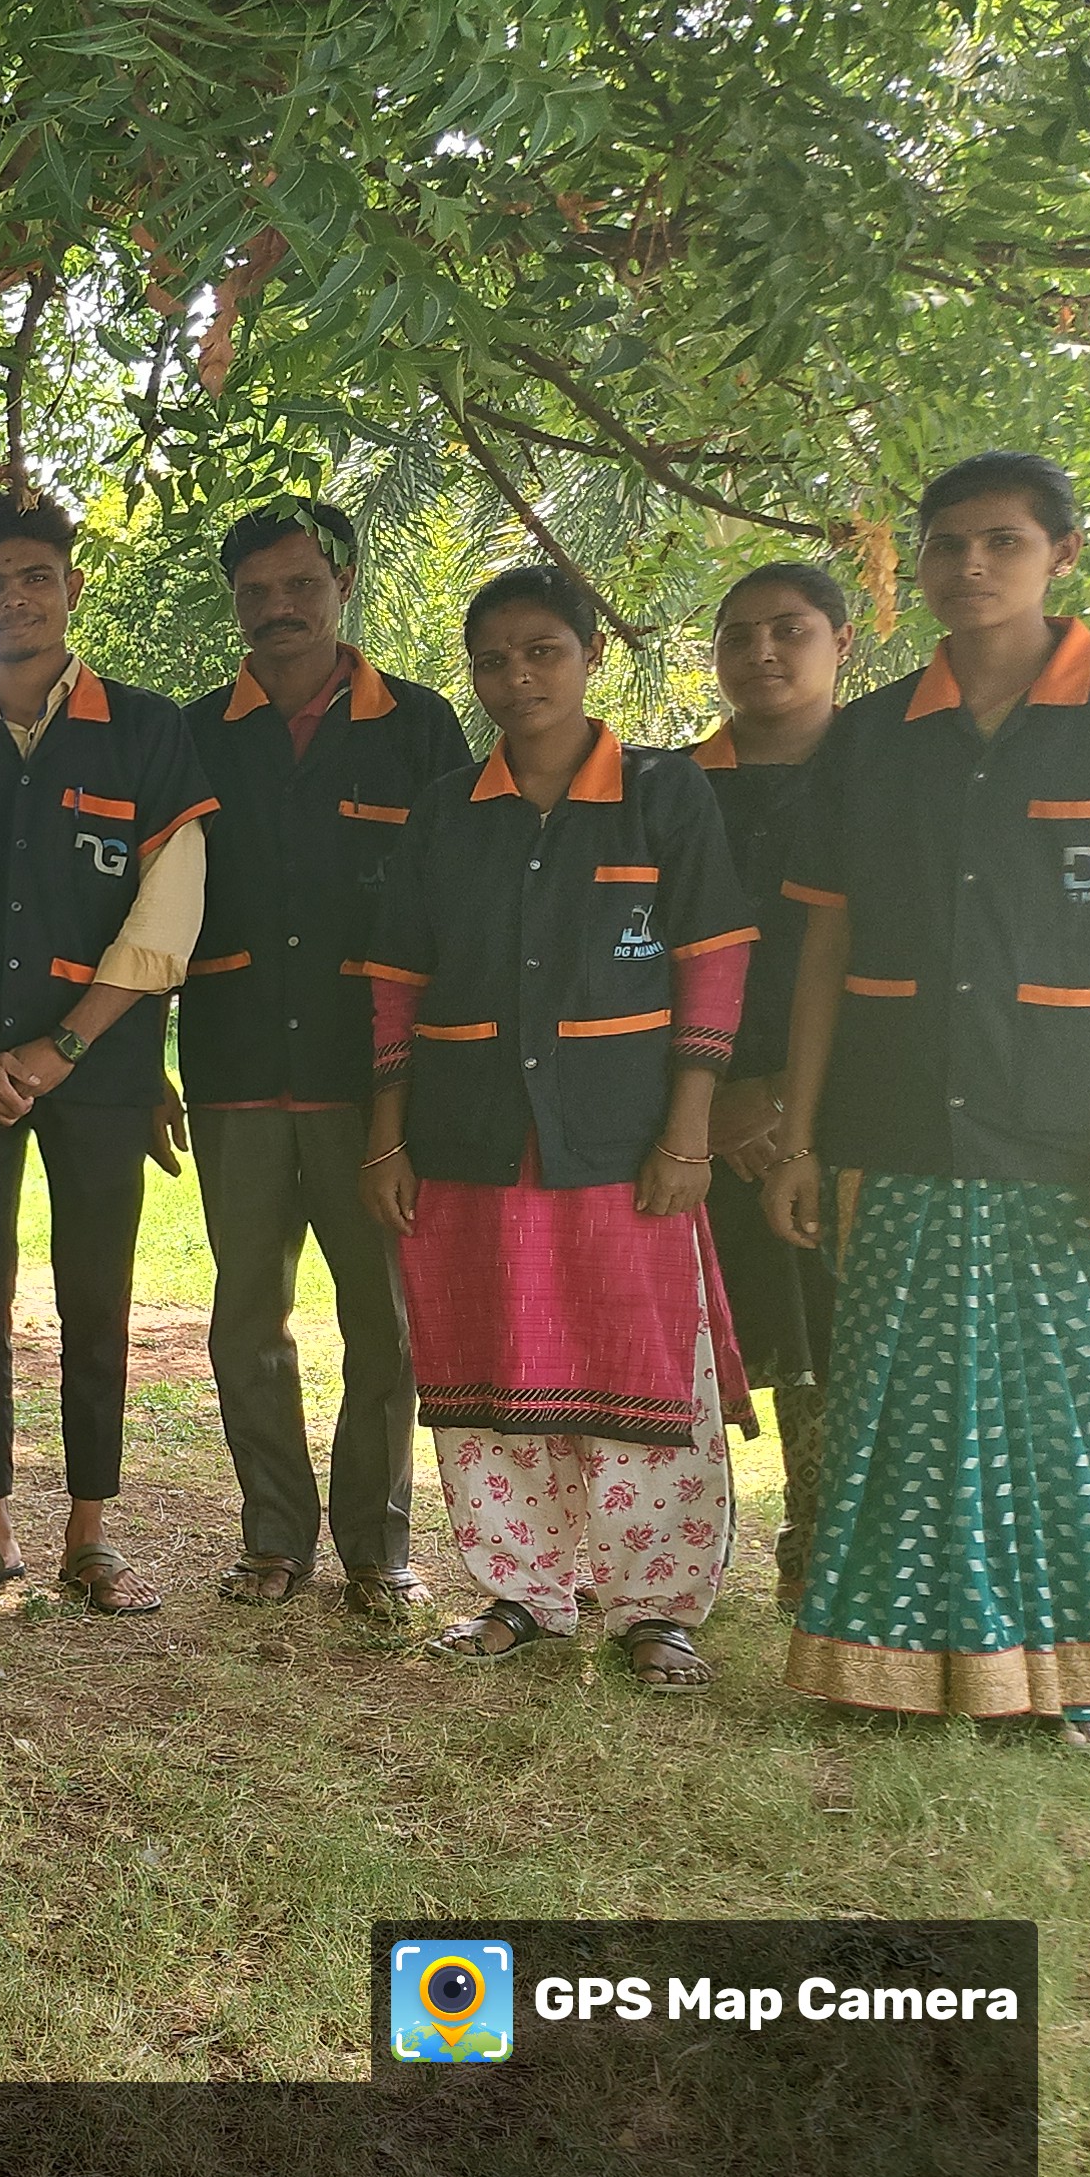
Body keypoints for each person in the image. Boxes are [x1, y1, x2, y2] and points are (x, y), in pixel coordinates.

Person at [770, 452, 1090, 1742]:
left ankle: (1077, 1682)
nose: (971, 566)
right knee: (898, 1409)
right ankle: (890, 1674)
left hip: (1068, 1130)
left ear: (1062, 554)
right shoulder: (872, 738)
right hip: (896, 1122)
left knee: (1067, 1412)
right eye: (947, 544)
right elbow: (824, 943)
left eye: (1003, 541)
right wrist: (797, 1138)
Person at [358, 565, 752, 1688]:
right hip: (470, 1141)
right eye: (493, 660)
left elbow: (713, 961)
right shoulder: (446, 810)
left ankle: (654, 1608)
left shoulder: (664, 792)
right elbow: (396, 981)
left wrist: (688, 1133)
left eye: (543, 652)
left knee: (640, 1364)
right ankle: (520, 1591)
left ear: (590, 657)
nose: (517, 677)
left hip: (625, 1143)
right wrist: (387, 1139)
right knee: (491, 1368)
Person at [0, 490, 213, 1614]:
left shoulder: (147, 731)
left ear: (71, 587)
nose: (12, 599)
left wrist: (67, 1044)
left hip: (102, 1069)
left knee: (96, 1295)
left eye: (34, 577)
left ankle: (91, 1534)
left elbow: (167, 912)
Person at [166, 495, 467, 1622]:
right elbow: (150, 908)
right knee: (247, 1320)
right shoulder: (194, 734)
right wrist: (144, 1060)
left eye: (300, 585)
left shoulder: (418, 727)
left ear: (343, 584)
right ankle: (273, 1538)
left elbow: (451, 912)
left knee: (384, 1322)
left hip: (371, 1084)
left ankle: (378, 1549)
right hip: (235, 1066)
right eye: (255, 592)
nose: (277, 608)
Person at [686, 559, 852, 1599]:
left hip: (841, 1108)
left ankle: (820, 1549)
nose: (762, 654)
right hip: (690, 1110)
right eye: (738, 636)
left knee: (830, 1334)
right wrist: (705, 1100)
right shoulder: (672, 786)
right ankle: (667, 1566)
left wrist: (788, 1103)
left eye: (789, 630)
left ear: (842, 642)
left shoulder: (884, 773)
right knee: (696, 1334)